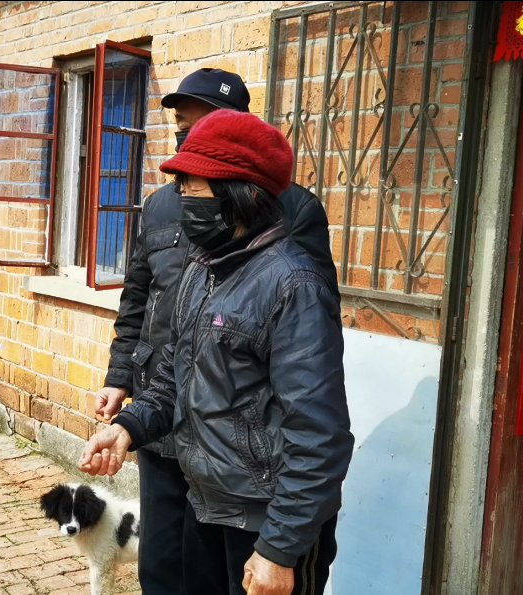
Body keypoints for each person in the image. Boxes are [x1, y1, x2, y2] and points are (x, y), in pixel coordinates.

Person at [80, 109, 353, 595]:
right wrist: (128, 427)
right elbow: (174, 374)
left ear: (239, 195)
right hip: (206, 502)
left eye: (194, 189)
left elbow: (319, 435)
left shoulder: (294, 285)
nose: (182, 200)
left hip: (267, 520)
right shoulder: (203, 271)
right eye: (182, 187)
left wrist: (279, 548)